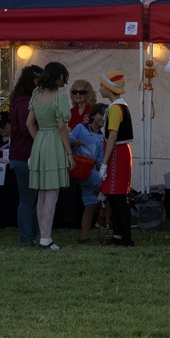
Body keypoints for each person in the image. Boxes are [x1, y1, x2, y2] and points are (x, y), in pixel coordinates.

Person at [26, 61, 74, 251]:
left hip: (40, 141)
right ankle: (46, 237)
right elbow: (62, 127)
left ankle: (43, 236)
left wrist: (39, 140)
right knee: (52, 193)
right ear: (59, 76)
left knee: (42, 193)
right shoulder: (60, 97)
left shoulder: (36, 94)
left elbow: (29, 123)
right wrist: (69, 153)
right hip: (54, 141)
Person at [8, 64, 43, 246]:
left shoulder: (23, 100)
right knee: (28, 200)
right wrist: (41, 137)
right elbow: (25, 128)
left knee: (31, 199)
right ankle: (27, 238)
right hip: (24, 156)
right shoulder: (24, 102)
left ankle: (31, 235)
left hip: (24, 156)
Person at [99, 72, 135, 247]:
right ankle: (119, 235)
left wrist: (104, 163)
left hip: (117, 153)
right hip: (121, 152)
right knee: (115, 197)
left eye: (102, 86)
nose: (99, 89)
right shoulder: (121, 106)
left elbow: (112, 136)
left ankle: (126, 238)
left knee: (118, 197)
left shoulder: (115, 108)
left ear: (109, 88)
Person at [70, 103, 106, 243]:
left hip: (90, 171)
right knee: (106, 186)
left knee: (90, 204)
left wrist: (101, 169)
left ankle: (84, 237)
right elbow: (68, 140)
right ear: (92, 115)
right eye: (101, 114)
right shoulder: (81, 128)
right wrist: (74, 144)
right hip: (79, 169)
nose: (103, 118)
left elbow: (99, 159)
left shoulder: (101, 138)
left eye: (106, 116)